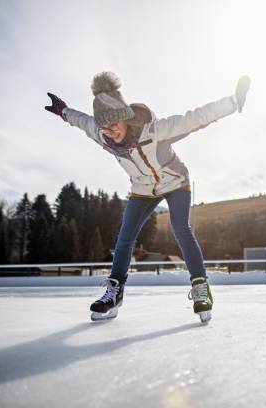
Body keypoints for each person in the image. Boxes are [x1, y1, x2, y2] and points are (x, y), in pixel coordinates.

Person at [44, 72, 251, 322]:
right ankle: (114, 293)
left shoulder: (155, 131)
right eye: (104, 128)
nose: (109, 133)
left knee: (180, 228)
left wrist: (233, 102)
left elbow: (195, 118)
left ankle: (200, 287)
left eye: (113, 126)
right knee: (125, 237)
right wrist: (64, 111)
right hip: (142, 188)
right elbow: (84, 121)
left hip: (175, 181)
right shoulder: (102, 135)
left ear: (124, 119)